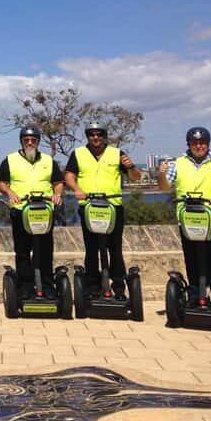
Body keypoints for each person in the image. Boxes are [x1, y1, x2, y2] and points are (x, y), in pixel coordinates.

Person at [157, 126, 211, 309]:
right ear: (189, 144)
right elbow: (164, 188)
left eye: (202, 143)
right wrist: (161, 174)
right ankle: (195, 297)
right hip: (188, 220)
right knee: (191, 258)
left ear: (208, 144)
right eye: (195, 143)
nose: (198, 146)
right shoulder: (178, 163)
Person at [64, 122, 142, 299]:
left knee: (115, 249)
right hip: (89, 207)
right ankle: (92, 287)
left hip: (113, 206)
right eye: (92, 134)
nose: (96, 137)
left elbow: (136, 177)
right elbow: (69, 175)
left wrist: (130, 166)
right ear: (88, 136)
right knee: (91, 249)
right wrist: (77, 189)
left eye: (99, 134)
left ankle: (119, 288)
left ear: (104, 136)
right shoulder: (78, 154)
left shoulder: (117, 153)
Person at [0, 126, 64, 298]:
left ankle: (48, 287)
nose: (30, 142)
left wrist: (57, 194)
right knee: (23, 251)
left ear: (38, 141)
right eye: (26, 139)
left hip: (44, 211)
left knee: (45, 250)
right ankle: (25, 287)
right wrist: (10, 193)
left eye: (33, 139)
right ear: (21, 141)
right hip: (21, 211)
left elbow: (58, 182)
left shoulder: (48, 160)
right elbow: (1, 182)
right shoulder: (10, 160)